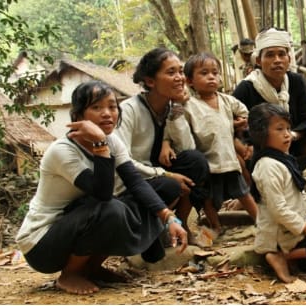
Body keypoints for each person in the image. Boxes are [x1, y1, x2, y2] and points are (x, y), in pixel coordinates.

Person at [15, 81, 187, 295]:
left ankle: (92, 268)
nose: (107, 114)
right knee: (110, 208)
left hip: (80, 219)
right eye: (96, 107)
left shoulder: (111, 140)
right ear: (78, 115)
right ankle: (70, 274)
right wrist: (99, 144)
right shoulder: (62, 151)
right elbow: (102, 192)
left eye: (112, 107)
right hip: (43, 244)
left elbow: (134, 181)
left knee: (166, 187)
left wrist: (169, 217)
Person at [115, 47, 210, 243]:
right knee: (170, 185)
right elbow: (122, 162)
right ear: (150, 81)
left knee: (196, 161)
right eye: (171, 72)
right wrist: (166, 174)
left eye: (181, 71)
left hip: (157, 172)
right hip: (131, 182)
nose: (180, 78)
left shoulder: (172, 106)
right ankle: (157, 228)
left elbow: (187, 147)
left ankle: (181, 223)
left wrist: (177, 109)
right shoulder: (128, 111)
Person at [162, 52, 258, 234]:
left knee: (243, 192)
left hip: (229, 159)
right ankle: (216, 226)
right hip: (208, 162)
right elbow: (173, 126)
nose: (211, 77)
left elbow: (244, 111)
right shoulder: (188, 104)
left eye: (215, 72)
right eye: (204, 73)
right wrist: (166, 142)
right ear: (190, 81)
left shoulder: (226, 100)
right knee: (208, 199)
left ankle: (259, 221)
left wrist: (240, 121)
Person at [249, 103, 306, 283]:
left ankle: (295, 255)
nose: (287, 134)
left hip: (294, 223)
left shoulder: (283, 158)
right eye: (279, 129)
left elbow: (299, 191)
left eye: (288, 128)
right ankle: (283, 256)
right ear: (261, 134)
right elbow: (278, 210)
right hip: (281, 233)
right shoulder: (268, 166)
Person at [233, 27, 306, 170]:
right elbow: (229, 127)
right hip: (261, 156)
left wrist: (291, 135)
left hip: (294, 147)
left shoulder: (297, 82)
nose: (277, 60)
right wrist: (245, 146)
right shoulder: (246, 88)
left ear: (289, 58)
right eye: (270, 55)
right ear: (258, 60)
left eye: (281, 54)